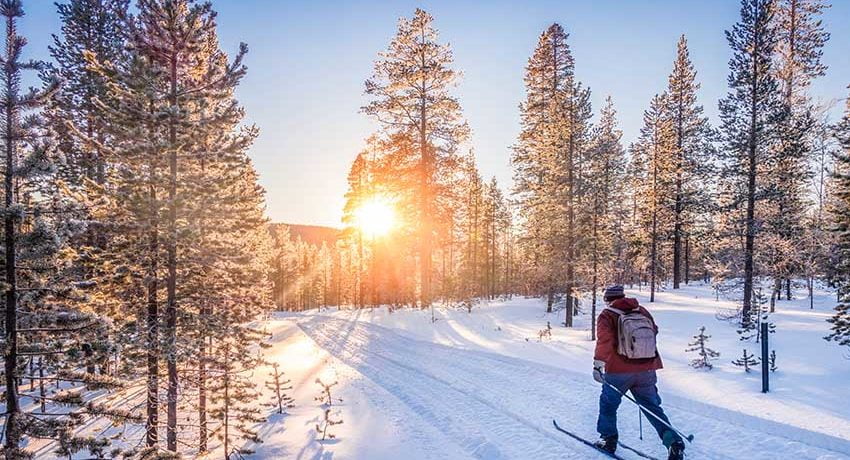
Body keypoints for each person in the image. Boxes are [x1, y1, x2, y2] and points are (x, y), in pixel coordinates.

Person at [592, 285, 685, 460]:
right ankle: (674, 442)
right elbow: (654, 330)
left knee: (608, 405)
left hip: (618, 371)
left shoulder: (607, 315)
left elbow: (605, 341)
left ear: (607, 299)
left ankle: (608, 440)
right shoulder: (641, 310)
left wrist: (598, 365)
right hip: (647, 369)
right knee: (652, 408)